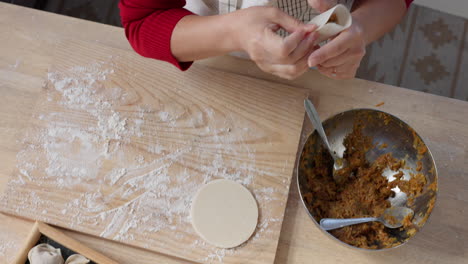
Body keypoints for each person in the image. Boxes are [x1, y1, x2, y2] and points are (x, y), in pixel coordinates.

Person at [119, 0, 413, 80]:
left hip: (326, 70)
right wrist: (234, 32)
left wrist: (360, 27)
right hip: (215, 59)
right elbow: (142, 21)